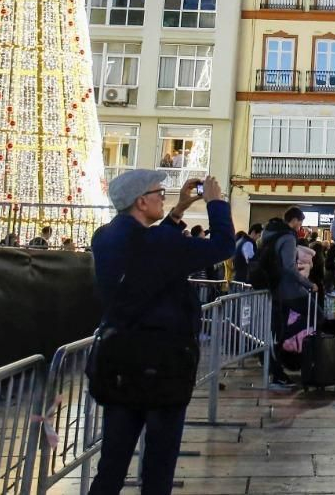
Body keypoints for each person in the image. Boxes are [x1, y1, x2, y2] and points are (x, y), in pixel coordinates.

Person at [86, 171, 232, 495]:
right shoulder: (161, 244)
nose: (162, 197)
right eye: (159, 193)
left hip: (119, 361)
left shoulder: (104, 238)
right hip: (162, 365)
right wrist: (215, 203)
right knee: (159, 465)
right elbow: (223, 245)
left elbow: (146, 247)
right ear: (141, 202)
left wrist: (178, 211)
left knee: (112, 463)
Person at [258, 207, 311, 388]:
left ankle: (275, 364)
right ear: (294, 220)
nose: (300, 226)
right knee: (316, 316)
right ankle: (277, 360)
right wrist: (308, 284)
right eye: (300, 222)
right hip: (287, 289)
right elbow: (289, 267)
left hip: (271, 287)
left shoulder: (269, 233)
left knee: (276, 329)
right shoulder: (288, 237)